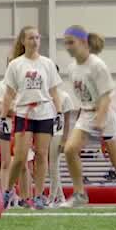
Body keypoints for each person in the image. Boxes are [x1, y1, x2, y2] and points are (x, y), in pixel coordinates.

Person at [60, 27, 116, 212]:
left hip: (107, 114)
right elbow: (84, 97)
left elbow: (107, 95)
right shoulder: (71, 69)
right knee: (70, 150)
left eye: (71, 42)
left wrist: (101, 119)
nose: (68, 47)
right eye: (66, 43)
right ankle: (80, 194)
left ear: (84, 43)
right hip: (87, 113)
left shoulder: (97, 65)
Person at [1, 26, 62, 209]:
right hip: (23, 113)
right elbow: (9, 94)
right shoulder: (15, 64)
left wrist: (59, 113)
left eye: (37, 38)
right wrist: (4, 117)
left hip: (44, 112)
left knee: (42, 155)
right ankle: (8, 191)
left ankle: (39, 196)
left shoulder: (48, 64)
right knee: (19, 158)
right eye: (31, 38)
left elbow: (54, 91)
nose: (35, 41)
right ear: (23, 41)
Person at [46, 77, 77, 207]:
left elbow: (68, 120)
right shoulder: (45, 96)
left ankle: (51, 197)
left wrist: (65, 139)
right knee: (52, 167)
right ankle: (61, 197)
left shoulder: (64, 96)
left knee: (53, 165)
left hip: (58, 133)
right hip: (45, 133)